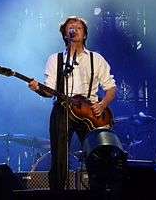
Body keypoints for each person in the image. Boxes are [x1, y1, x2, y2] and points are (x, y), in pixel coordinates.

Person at [28, 16, 117, 190]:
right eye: (70, 27)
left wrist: (103, 104)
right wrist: (38, 88)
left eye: (78, 27)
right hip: (63, 110)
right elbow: (49, 90)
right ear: (65, 34)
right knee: (59, 158)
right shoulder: (56, 59)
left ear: (84, 34)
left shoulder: (96, 58)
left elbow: (111, 88)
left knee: (96, 156)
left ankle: (98, 191)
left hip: (91, 112)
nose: (74, 29)